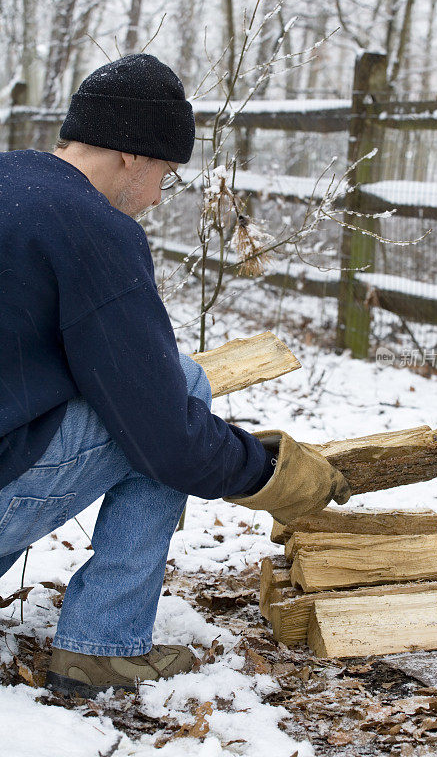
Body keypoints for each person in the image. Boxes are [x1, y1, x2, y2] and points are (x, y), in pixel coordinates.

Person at [0, 53, 351, 698]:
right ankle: (101, 649)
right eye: (165, 170)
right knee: (181, 389)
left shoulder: (9, 185)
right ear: (131, 155)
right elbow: (164, 434)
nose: (161, 195)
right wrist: (265, 472)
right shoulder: (93, 231)